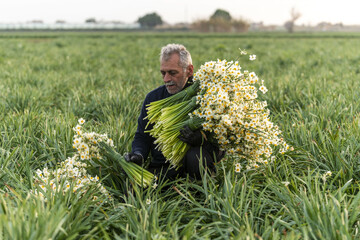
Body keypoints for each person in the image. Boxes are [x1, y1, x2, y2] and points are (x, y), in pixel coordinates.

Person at [125, 43, 223, 180]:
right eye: (163, 73)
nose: (166, 79)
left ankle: (200, 193)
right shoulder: (153, 98)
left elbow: (221, 148)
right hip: (162, 167)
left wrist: (200, 140)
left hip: (191, 167)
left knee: (196, 157)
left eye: (172, 73)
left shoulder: (208, 98)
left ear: (189, 70)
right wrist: (138, 154)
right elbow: (142, 136)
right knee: (131, 189)